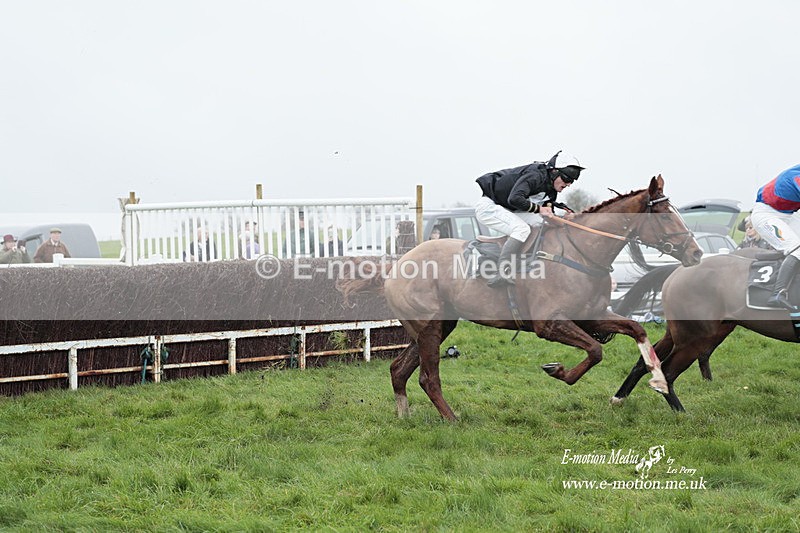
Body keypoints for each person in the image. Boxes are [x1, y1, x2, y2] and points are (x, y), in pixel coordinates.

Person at [475, 150, 584, 287]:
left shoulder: (551, 191)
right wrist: (539, 209)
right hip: (490, 207)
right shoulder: (535, 176)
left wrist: (566, 220)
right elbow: (514, 198)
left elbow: (547, 216)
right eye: (567, 179)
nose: (568, 184)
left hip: (509, 209)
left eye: (571, 182)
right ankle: (501, 272)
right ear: (554, 172)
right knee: (521, 229)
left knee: (539, 222)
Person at [750, 164, 800, 309]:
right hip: (766, 216)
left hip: (788, 216)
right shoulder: (797, 177)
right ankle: (778, 293)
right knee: (797, 249)